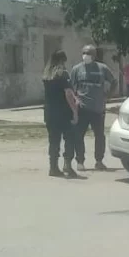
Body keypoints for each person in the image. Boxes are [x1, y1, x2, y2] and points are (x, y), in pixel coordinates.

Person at [70, 44, 117, 171]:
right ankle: (80, 161)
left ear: (94, 55)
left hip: (98, 108)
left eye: (88, 53)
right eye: (84, 52)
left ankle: (99, 161)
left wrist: (109, 96)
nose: (85, 55)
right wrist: (75, 100)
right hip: (82, 108)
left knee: (100, 136)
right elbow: (71, 87)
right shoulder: (76, 69)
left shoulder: (102, 68)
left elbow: (114, 81)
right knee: (78, 135)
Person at [43, 50, 79, 178]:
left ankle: (53, 167)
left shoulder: (46, 75)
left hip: (50, 112)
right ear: (62, 60)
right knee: (69, 138)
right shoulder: (63, 74)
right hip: (63, 112)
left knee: (53, 141)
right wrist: (75, 111)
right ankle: (67, 165)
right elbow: (68, 94)